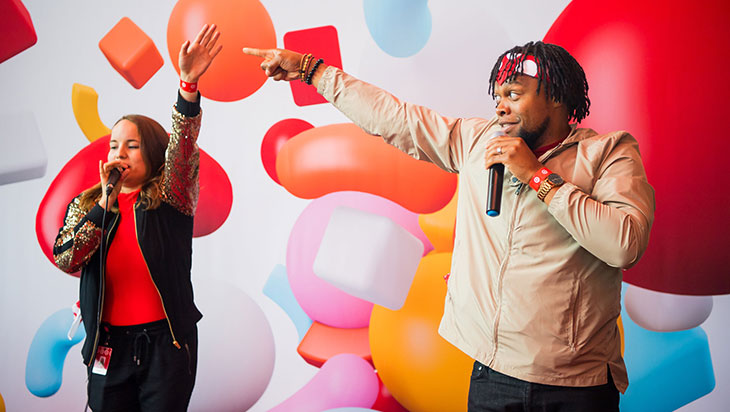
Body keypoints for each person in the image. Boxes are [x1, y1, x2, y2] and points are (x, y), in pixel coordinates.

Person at [244, 41, 655, 411]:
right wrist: (313, 70)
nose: (500, 107)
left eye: (514, 94)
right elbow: (394, 118)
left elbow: (624, 244)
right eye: (498, 97)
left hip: (576, 387)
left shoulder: (609, 154)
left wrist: (537, 177)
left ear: (557, 97)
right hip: (492, 377)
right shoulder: (478, 142)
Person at [53, 24, 222, 412]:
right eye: (115, 145)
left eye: (132, 145)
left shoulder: (170, 197)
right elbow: (67, 258)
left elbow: (183, 150)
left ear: (153, 153)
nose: (121, 152)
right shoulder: (89, 204)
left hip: (166, 346)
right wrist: (104, 206)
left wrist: (188, 87)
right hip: (108, 347)